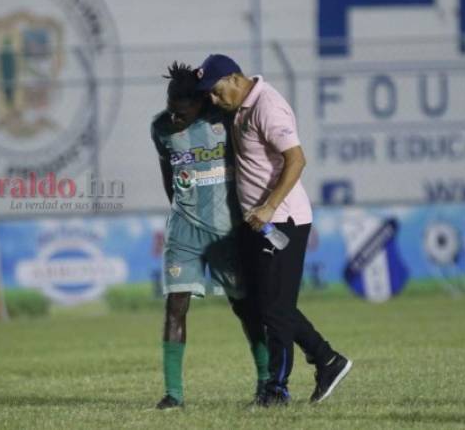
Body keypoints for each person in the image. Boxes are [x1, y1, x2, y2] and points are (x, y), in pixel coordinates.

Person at [195, 54, 352, 406]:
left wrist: (268, 206)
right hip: (257, 222)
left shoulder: (268, 106)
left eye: (217, 92)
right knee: (265, 304)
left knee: (276, 310)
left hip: (281, 220)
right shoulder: (238, 106)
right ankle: (327, 360)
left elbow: (297, 160)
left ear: (235, 78)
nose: (215, 101)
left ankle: (276, 391)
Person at [150, 62, 269, 409]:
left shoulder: (224, 118)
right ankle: (173, 395)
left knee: (245, 309)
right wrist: (179, 209)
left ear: (200, 104)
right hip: (184, 232)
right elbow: (167, 174)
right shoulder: (159, 128)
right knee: (175, 307)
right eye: (171, 110)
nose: (175, 118)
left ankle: (266, 384)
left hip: (226, 232)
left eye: (182, 113)